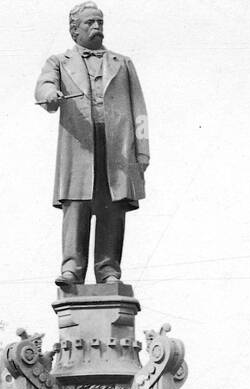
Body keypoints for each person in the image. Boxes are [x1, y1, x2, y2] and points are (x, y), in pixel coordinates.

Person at [35, 4, 149, 288]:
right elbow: (44, 86)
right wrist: (51, 95)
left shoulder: (122, 63)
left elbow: (140, 110)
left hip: (119, 147)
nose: (96, 27)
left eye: (99, 22)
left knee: (113, 207)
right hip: (79, 145)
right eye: (89, 23)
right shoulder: (58, 62)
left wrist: (142, 151)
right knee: (77, 204)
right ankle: (72, 268)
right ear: (75, 29)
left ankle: (109, 269)